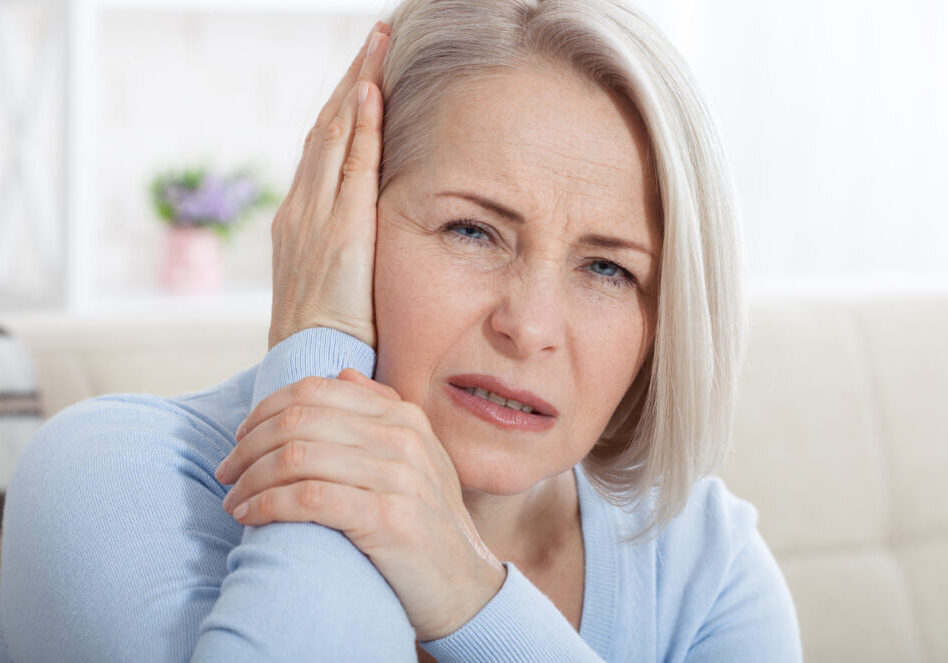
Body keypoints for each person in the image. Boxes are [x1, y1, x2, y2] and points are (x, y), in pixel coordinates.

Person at [0, 0, 803, 660]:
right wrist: (321, 358)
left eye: (607, 269)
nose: (528, 327)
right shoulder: (110, 481)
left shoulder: (707, 568)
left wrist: (468, 592)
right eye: (472, 231)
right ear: (341, 217)